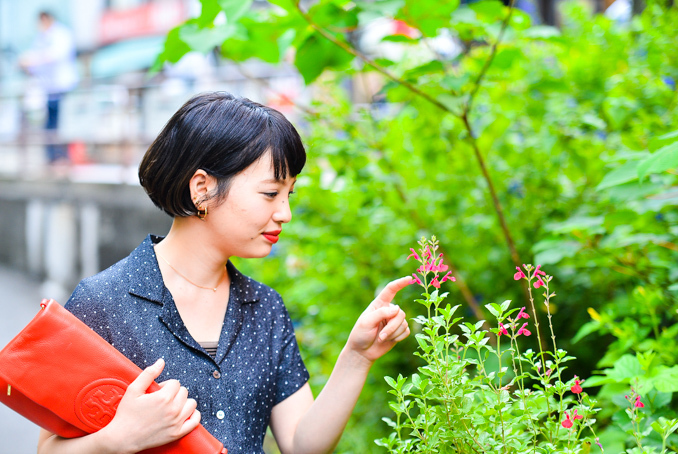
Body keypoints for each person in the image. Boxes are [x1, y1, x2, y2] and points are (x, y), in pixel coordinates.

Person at [37, 92, 411, 454]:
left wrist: (357, 356)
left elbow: (300, 444)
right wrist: (120, 438)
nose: (285, 213)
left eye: (289, 195)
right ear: (202, 188)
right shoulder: (103, 301)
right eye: (270, 194)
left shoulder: (266, 308)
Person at [19, 11, 79, 165]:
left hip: (63, 86)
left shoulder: (61, 34)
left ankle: (63, 158)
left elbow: (55, 56)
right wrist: (28, 65)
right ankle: (53, 159)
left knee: (63, 124)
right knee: (50, 125)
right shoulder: (41, 37)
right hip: (48, 89)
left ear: (46, 19)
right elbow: (37, 62)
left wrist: (33, 60)